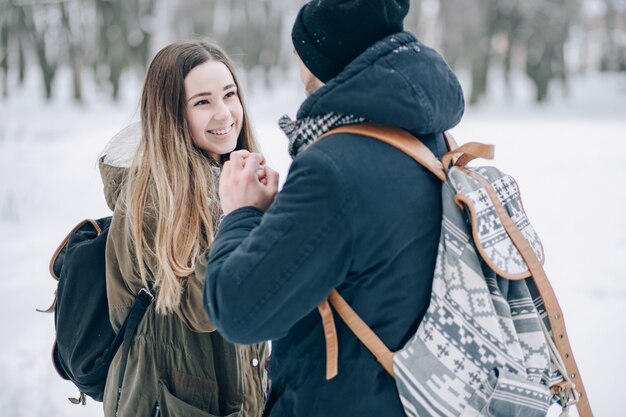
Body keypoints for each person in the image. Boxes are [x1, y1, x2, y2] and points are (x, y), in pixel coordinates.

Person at [202, 0, 466, 416]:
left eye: (301, 51)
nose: (296, 62)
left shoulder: (334, 167)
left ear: (324, 56)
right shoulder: (423, 132)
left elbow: (237, 310)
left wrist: (241, 213)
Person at [98, 40, 268, 417]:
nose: (225, 114)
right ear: (171, 114)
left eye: (229, 94)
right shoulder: (153, 198)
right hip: (170, 402)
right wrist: (242, 215)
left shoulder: (227, 177)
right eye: (203, 102)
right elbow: (204, 307)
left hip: (235, 393)